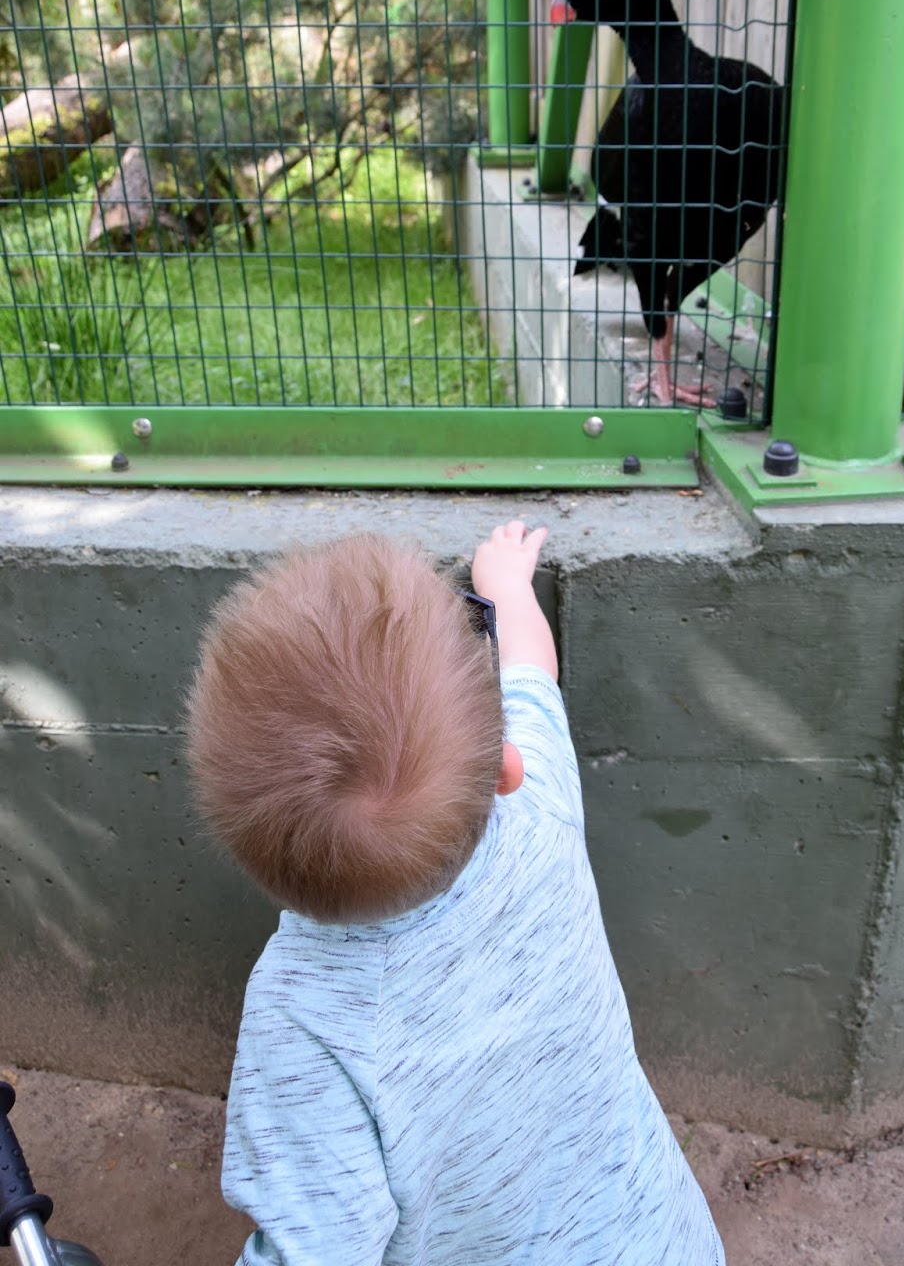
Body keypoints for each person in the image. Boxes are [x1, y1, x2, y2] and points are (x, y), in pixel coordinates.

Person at [187, 520, 725, 1265]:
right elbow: (532, 672)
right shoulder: (537, 811)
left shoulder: (301, 1016)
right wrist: (505, 588)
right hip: (661, 1242)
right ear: (505, 766)